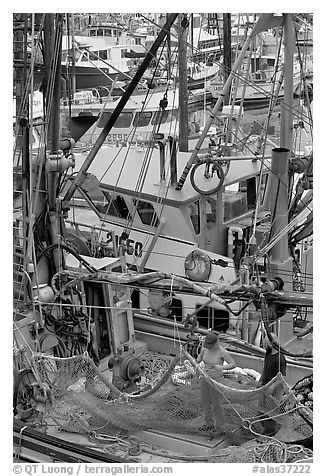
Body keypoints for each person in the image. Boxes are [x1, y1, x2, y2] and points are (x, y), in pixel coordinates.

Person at [196, 331, 236, 433]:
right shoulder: (205, 348)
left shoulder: (222, 351)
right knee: (205, 401)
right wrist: (197, 360)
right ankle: (209, 423)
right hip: (205, 377)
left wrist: (222, 367)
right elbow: (200, 356)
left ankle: (220, 427)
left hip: (216, 381)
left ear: (215, 343)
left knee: (216, 403)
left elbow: (233, 364)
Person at [259, 330, 287, 436]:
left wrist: (272, 387)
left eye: (266, 343)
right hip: (265, 387)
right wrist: (260, 380)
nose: (265, 345)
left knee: (272, 411)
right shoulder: (268, 353)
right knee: (262, 409)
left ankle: (273, 431)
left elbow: (282, 377)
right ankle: (266, 429)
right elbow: (265, 367)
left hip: (275, 390)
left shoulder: (280, 359)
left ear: (272, 343)